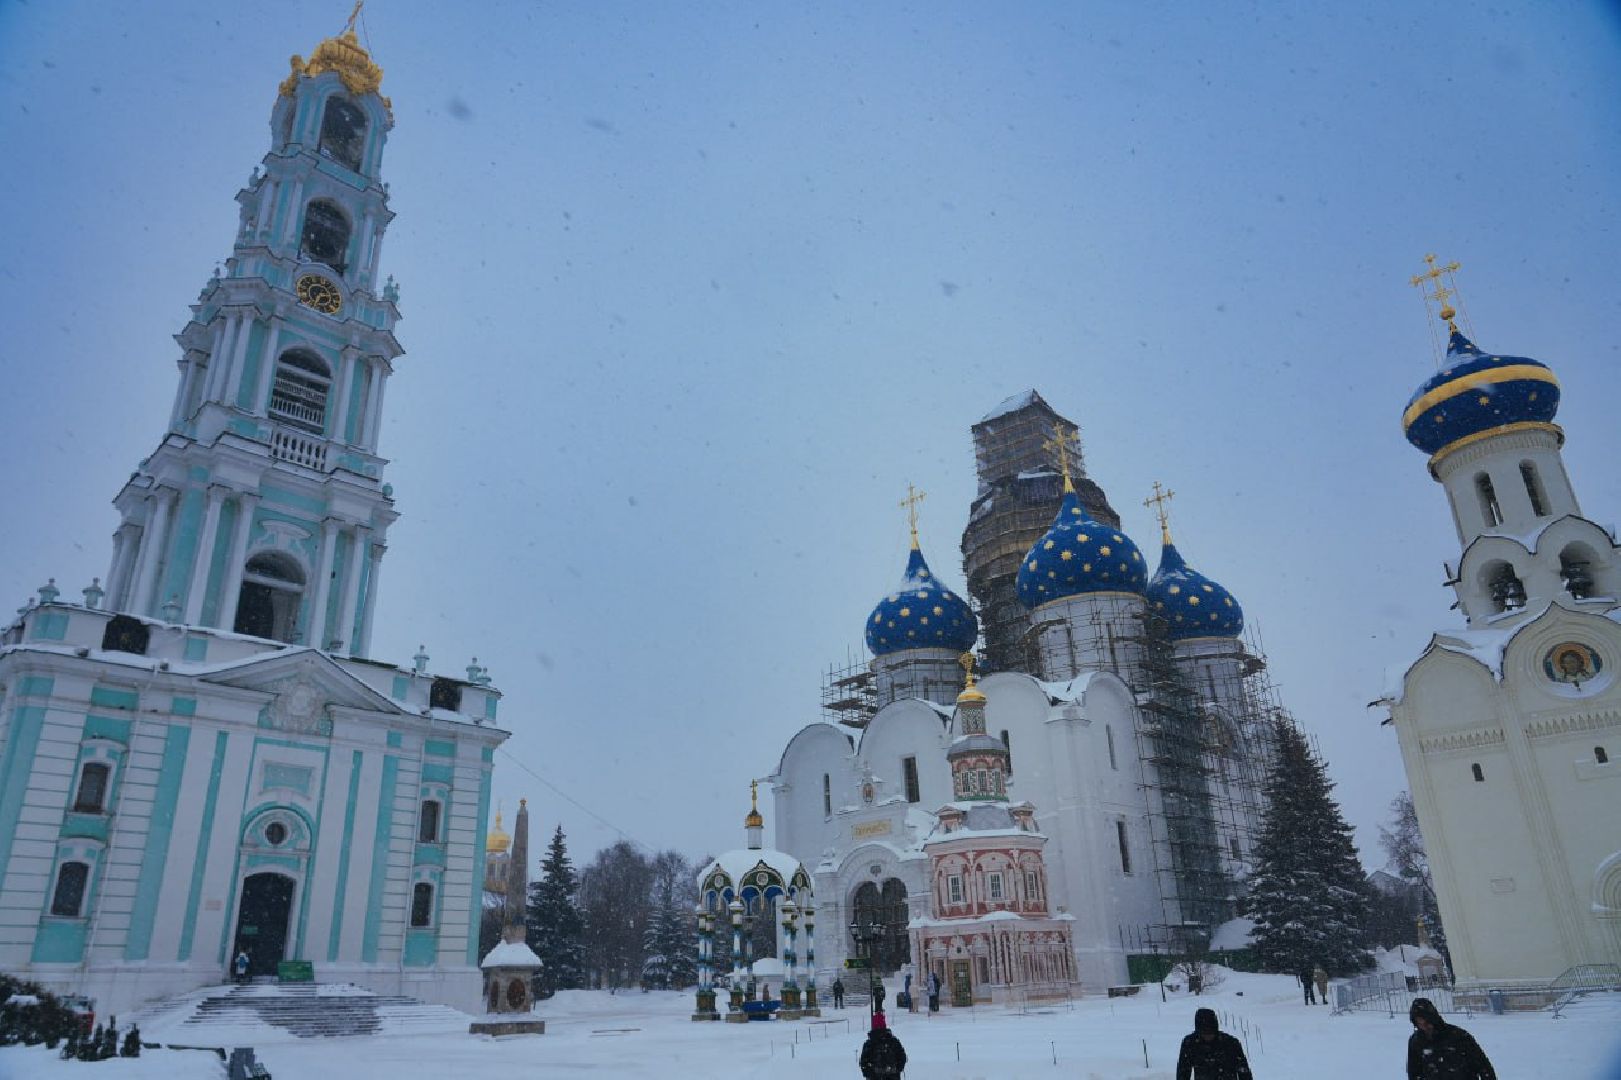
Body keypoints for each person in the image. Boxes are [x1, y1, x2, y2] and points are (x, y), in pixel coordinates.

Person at [1407, 997, 1497, 1079]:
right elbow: (1414, 1072)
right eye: (1419, 1024)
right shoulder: (1416, 1042)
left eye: (1427, 1023)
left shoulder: (1458, 1036)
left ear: (1433, 1018)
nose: (1424, 1027)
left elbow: (1483, 1066)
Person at [1176, 1008, 1253, 1080]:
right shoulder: (1190, 1044)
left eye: (1211, 1032)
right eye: (1204, 1033)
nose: (1208, 1035)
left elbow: (1244, 1073)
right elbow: (1183, 1073)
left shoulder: (1231, 1044)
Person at [859, 1012, 907, 1080]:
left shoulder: (869, 1043)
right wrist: (896, 1070)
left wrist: (870, 1073)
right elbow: (902, 1057)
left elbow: (863, 1063)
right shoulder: (893, 1041)